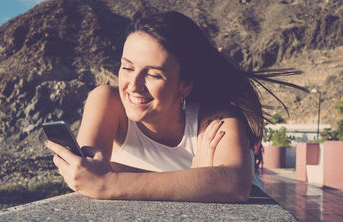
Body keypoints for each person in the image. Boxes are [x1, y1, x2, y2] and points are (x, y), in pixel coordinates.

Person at [46, 10, 306, 202]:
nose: (133, 85)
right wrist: (195, 176)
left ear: (184, 86)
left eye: (154, 74)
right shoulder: (106, 100)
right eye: (127, 67)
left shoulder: (216, 118)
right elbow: (89, 172)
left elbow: (235, 185)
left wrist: (110, 183)